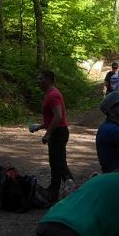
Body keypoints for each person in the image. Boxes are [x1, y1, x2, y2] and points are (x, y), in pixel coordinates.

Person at [33, 70, 73, 202]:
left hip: (58, 133)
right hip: (57, 132)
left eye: (40, 79)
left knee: (59, 163)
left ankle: (71, 188)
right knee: (55, 163)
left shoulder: (53, 95)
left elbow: (58, 116)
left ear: (48, 80)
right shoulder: (49, 94)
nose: (38, 81)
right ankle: (53, 192)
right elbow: (51, 119)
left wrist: (48, 134)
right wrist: (38, 127)